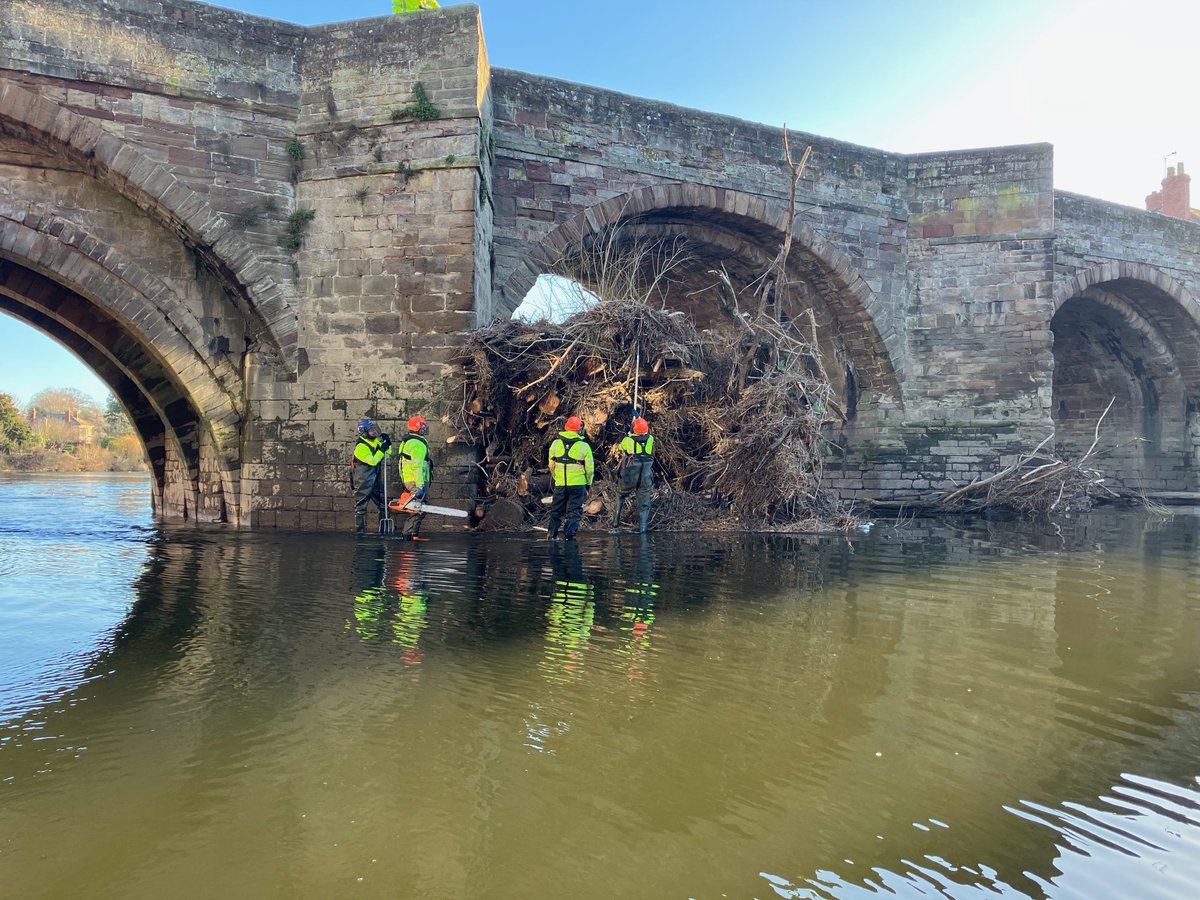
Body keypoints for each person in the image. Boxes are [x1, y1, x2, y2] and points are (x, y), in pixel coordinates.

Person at [547, 414, 594, 540]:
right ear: (580, 429)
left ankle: (552, 535)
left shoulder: (555, 444)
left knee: (556, 510)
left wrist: (557, 478)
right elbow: (590, 470)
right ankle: (569, 537)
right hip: (578, 484)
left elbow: (551, 465)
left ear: (566, 428)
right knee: (574, 512)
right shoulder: (584, 446)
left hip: (561, 484)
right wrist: (588, 485)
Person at [613, 416, 654, 533]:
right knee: (644, 505)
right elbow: (644, 435)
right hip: (645, 477)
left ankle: (615, 522)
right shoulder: (650, 439)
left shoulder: (627, 440)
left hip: (629, 477)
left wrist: (629, 433)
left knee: (620, 495)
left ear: (633, 429)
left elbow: (622, 447)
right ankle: (643, 529)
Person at [350, 418, 392, 533]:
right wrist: (382, 449)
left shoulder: (374, 442)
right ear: (364, 432)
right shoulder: (361, 447)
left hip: (374, 479)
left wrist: (387, 444)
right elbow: (373, 461)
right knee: (361, 508)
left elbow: (387, 455)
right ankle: (360, 532)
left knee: (384, 505)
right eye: (371, 431)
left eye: (374, 430)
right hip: (363, 481)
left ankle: (384, 530)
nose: (374, 432)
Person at [397, 415, 432, 540]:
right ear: (418, 427)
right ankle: (409, 535)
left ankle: (413, 534)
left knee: (418, 507)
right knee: (419, 507)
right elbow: (417, 466)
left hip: (410, 479)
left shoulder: (409, 441)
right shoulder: (417, 444)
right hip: (416, 480)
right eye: (422, 425)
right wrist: (420, 485)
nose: (425, 427)